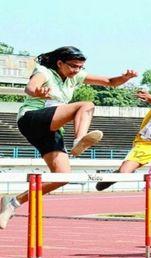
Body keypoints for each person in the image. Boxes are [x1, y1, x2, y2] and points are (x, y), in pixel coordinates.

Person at [0, 46, 137, 229]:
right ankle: (79, 139)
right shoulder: (44, 72)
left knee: (62, 176)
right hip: (31, 118)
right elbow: (30, 87)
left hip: (50, 129)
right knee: (86, 105)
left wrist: (124, 78)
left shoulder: (76, 76)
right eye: (73, 66)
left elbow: (109, 81)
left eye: (80, 67)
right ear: (59, 63)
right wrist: (37, 92)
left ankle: (12, 203)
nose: (77, 71)